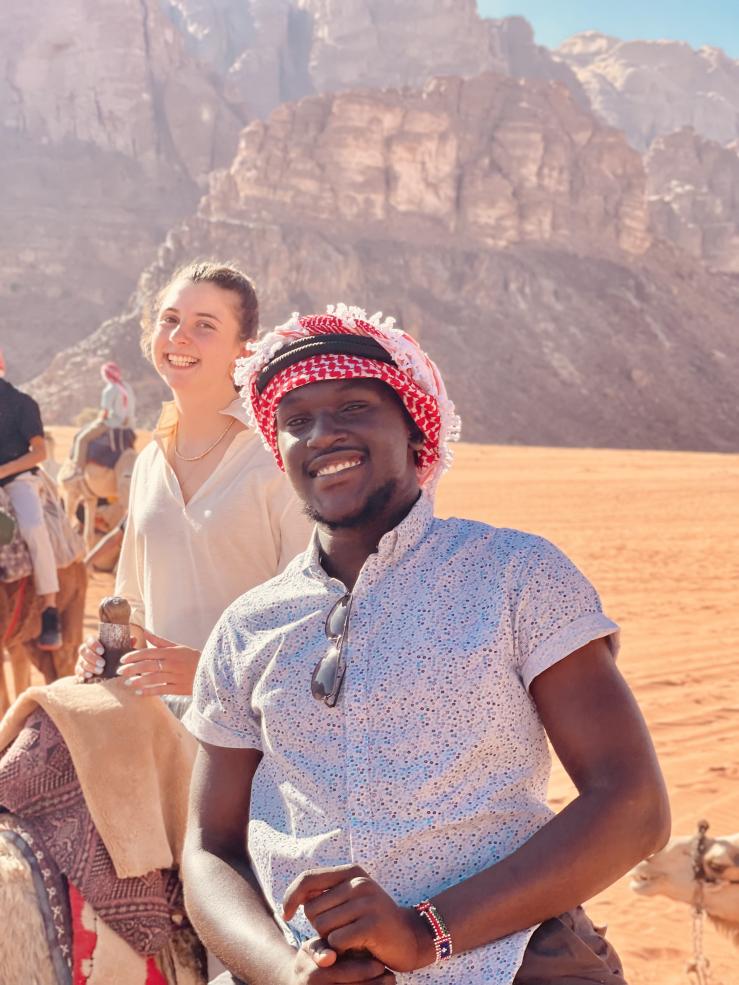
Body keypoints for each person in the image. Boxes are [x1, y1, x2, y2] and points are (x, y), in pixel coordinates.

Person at [181, 304, 671, 985]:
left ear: (415, 429)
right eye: (296, 421)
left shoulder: (514, 574)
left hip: (514, 958)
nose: (323, 434)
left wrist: (424, 932)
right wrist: (279, 970)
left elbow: (632, 806)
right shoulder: (246, 626)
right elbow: (209, 847)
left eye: (353, 406)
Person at [76, 260, 310, 702]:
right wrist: (103, 651)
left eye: (205, 325)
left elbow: (312, 621)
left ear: (245, 350)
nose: (180, 336)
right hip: (158, 734)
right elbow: (134, 603)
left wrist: (210, 670)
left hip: (253, 740)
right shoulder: (148, 462)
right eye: (170, 320)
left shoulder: (280, 459)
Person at [0, 347, 62, 649]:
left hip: (17, 479)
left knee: (33, 526)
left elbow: (40, 452)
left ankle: (50, 610)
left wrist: (3, 470)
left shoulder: (22, 404)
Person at [69, 361, 136, 476]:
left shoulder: (109, 390)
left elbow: (105, 413)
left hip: (112, 423)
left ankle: (78, 470)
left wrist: (97, 421)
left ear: (106, 375)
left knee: (81, 439)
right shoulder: (127, 387)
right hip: (128, 424)